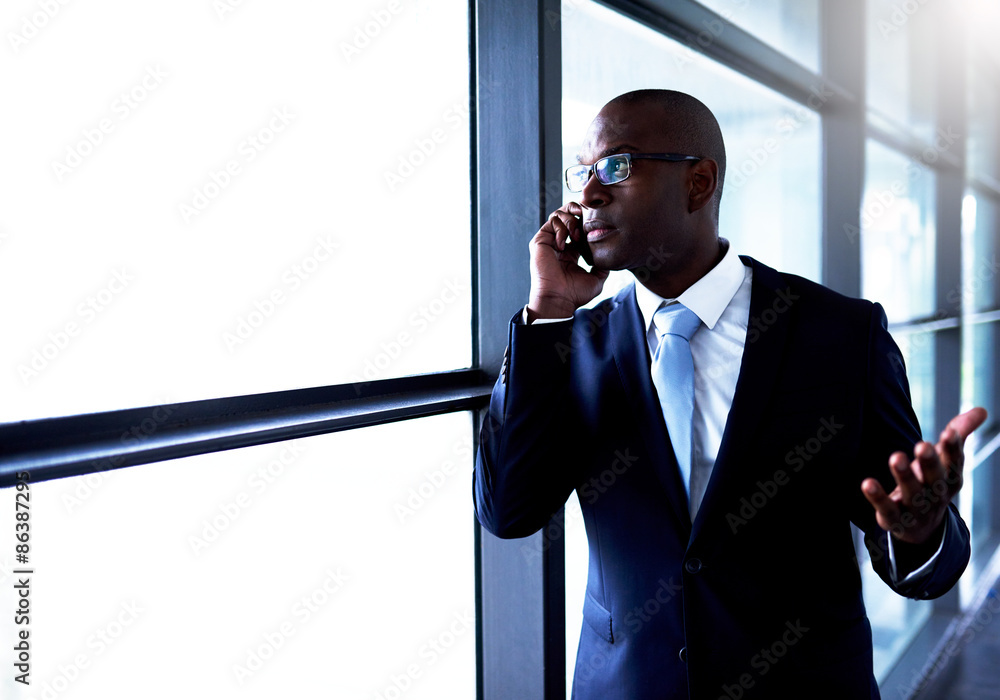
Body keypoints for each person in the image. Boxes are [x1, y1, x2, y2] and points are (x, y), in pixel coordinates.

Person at [473, 89, 988, 699]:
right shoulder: (568, 341)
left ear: (699, 182)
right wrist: (548, 309)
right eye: (583, 171)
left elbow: (917, 544)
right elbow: (508, 511)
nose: (588, 192)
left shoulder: (840, 334)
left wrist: (920, 530)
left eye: (618, 165)